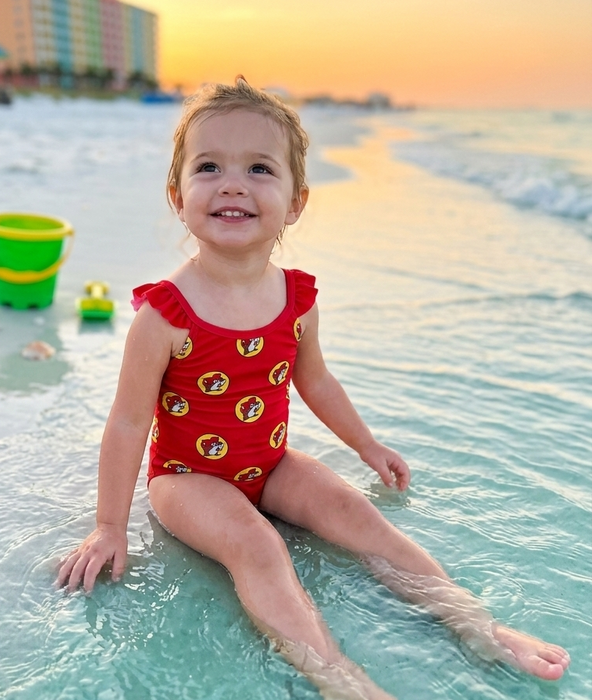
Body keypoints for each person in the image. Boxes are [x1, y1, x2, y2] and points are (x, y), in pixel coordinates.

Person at [56, 77, 570, 699]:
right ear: (178, 194)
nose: (233, 183)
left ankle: (474, 622)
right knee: (259, 545)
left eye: (260, 168)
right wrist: (109, 524)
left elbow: (316, 382)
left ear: (296, 201)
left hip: (269, 465)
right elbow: (128, 423)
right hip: (186, 479)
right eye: (209, 165)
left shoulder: (296, 299)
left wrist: (366, 447)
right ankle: (339, 678)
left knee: (356, 515)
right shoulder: (164, 315)